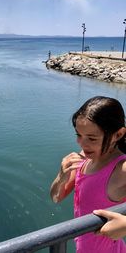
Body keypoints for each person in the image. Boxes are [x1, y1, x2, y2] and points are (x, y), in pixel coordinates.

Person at [50, 96, 126, 253]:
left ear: (118, 135)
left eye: (92, 138)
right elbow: (56, 198)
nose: (82, 144)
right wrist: (61, 176)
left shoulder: (121, 169)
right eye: (78, 135)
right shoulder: (83, 159)